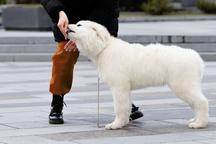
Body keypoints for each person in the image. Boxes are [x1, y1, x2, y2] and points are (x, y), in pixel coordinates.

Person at [40, 0, 143, 124]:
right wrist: (59, 13)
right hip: (68, 20)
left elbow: (108, 5)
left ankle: (125, 105)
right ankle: (57, 102)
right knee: (63, 58)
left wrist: (85, 33)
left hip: (101, 22)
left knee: (113, 63)